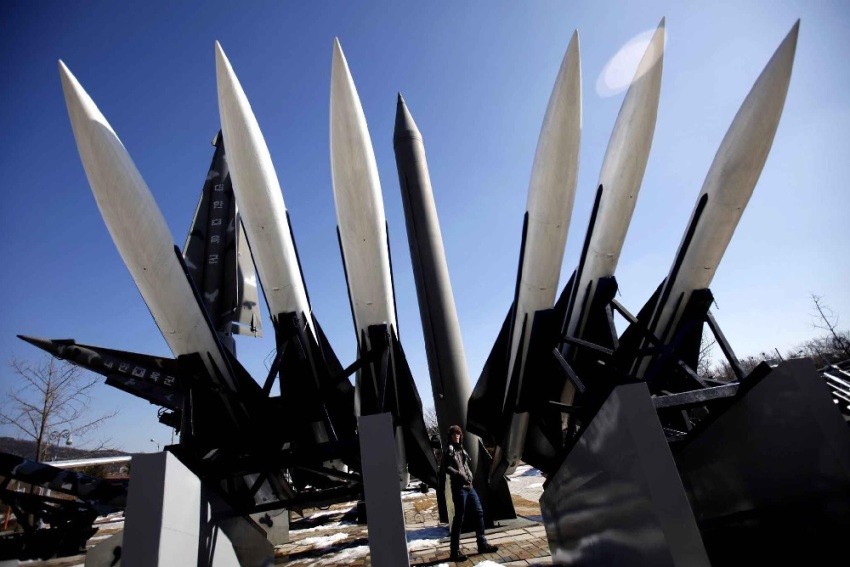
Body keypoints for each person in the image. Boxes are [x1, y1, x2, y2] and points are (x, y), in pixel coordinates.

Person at [442, 424, 498, 562]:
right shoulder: (449, 450)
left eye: (458, 434)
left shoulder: (461, 449)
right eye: (454, 434)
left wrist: (468, 476)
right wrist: (459, 474)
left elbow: (465, 465)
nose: (456, 436)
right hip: (459, 488)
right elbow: (446, 467)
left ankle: (482, 544)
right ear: (450, 436)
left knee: (478, 512)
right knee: (459, 518)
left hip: (469, 486)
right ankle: (455, 551)